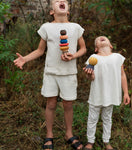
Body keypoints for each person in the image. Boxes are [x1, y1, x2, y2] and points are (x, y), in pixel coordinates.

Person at [14, 0, 86, 149]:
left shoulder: (75, 27)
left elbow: (83, 48)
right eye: (57, 1)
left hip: (69, 72)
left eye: (64, 1)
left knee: (68, 104)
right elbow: (40, 50)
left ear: (68, 10)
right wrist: (25, 59)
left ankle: (69, 134)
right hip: (51, 73)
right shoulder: (46, 27)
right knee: (51, 103)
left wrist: (73, 56)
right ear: (52, 11)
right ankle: (49, 135)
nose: (61, 1)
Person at [83, 36, 130, 150]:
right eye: (98, 39)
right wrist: (90, 74)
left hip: (111, 94)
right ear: (96, 48)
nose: (100, 37)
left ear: (110, 46)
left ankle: (106, 141)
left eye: (103, 38)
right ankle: (90, 141)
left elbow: (122, 75)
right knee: (92, 118)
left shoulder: (117, 57)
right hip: (97, 94)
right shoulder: (93, 58)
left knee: (107, 118)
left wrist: (126, 93)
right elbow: (91, 77)